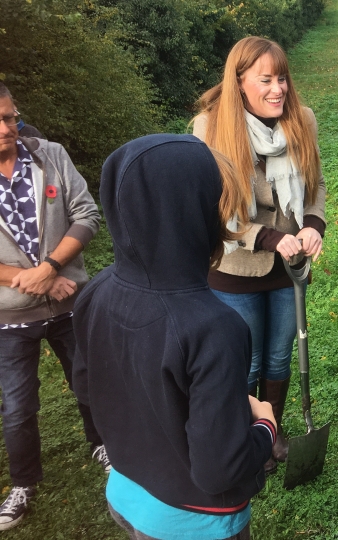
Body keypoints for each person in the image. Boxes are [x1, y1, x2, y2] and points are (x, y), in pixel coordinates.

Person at [73, 134, 277, 540]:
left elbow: (87, 388)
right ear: (196, 215)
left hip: (127, 493)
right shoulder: (215, 328)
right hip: (196, 521)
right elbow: (220, 468)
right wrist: (265, 427)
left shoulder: (95, 291)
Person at [192, 36, 326, 471]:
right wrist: (267, 237)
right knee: (244, 356)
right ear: (239, 83)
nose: (278, 89)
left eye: (282, 78)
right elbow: (215, 208)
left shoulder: (302, 120)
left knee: (277, 354)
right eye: (266, 80)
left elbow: (315, 185)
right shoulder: (209, 128)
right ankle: (243, 435)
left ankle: (274, 430)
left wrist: (313, 225)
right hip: (235, 268)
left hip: (290, 266)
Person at [0, 83, 108, 530]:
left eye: (11, 117)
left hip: (70, 304)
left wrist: (51, 266)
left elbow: (87, 215)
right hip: (9, 317)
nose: (9, 128)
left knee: (89, 380)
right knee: (17, 406)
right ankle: (23, 483)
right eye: (0, 122)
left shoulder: (50, 155)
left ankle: (104, 445)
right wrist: (34, 280)